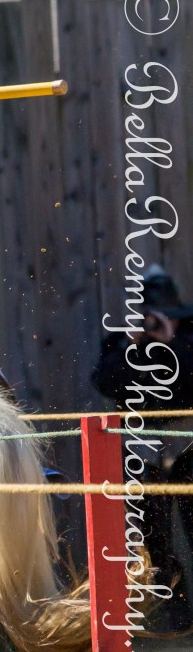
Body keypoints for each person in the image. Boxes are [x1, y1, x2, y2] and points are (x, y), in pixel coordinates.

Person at [93, 264, 193, 630]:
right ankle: (176, 618)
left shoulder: (189, 338)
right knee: (155, 538)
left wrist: (172, 345)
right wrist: (135, 347)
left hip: (188, 444)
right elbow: (105, 383)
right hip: (141, 447)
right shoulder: (124, 343)